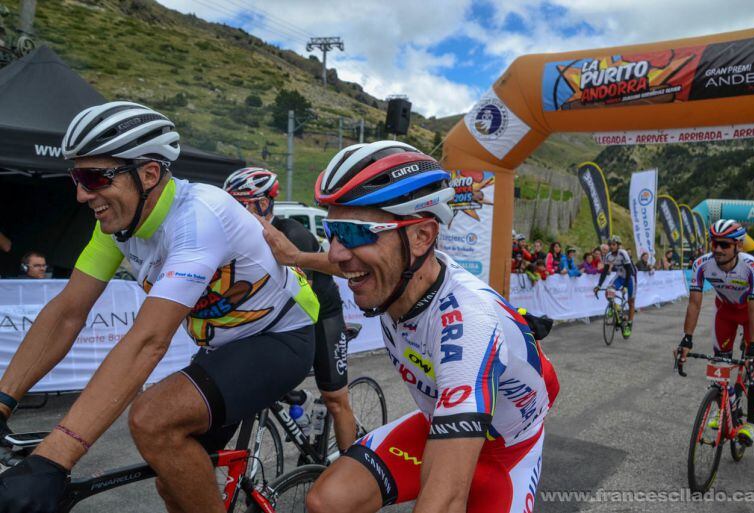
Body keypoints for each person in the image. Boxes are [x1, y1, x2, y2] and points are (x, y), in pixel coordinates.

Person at [0, 101, 319, 513]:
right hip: (225, 344)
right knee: (175, 483)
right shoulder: (116, 226)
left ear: (149, 174)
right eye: (76, 177)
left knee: (154, 418)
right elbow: (67, 313)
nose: (81, 194)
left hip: (282, 335)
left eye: (94, 177)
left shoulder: (199, 216)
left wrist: (53, 458)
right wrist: (4, 399)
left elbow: (149, 340)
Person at [259, 141, 559, 513]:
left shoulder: (467, 323)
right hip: (440, 422)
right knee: (328, 501)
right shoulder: (396, 272)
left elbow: (444, 501)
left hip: (505, 451)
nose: (337, 251)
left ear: (421, 236)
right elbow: (346, 263)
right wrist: (294, 257)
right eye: (332, 229)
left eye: (354, 233)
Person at [223, 167, 357, 450]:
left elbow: (298, 298)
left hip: (320, 314)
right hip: (282, 314)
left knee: (335, 399)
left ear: (263, 203)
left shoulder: (292, 234)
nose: (233, 210)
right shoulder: (237, 236)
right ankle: (299, 402)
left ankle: (353, 468)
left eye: (240, 203)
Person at [676, 219, 754, 446]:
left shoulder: (752, 266)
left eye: (724, 245)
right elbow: (694, 304)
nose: (717, 249)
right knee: (720, 366)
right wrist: (687, 339)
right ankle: (724, 406)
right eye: (714, 243)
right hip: (725, 313)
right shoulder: (702, 264)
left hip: (750, 314)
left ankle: (750, 425)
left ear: (738, 246)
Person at [594, 235, 637, 339]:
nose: (612, 246)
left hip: (630, 277)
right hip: (619, 276)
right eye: (610, 245)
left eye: (614, 244)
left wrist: (626, 286)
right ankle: (615, 307)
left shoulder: (623, 253)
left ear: (618, 245)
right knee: (608, 291)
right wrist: (599, 285)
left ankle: (629, 325)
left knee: (631, 302)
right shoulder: (608, 256)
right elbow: (604, 271)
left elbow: (629, 270)